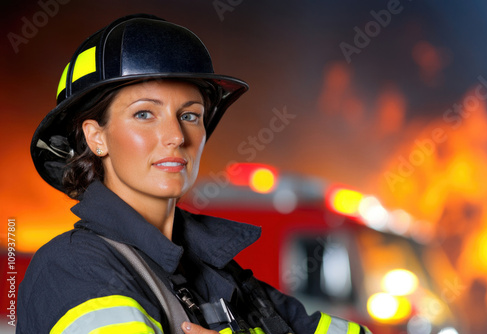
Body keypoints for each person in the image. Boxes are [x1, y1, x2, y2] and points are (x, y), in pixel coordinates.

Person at [18, 14, 371, 334]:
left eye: (189, 116)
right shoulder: (71, 269)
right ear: (96, 137)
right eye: (144, 114)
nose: (176, 136)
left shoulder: (225, 276)